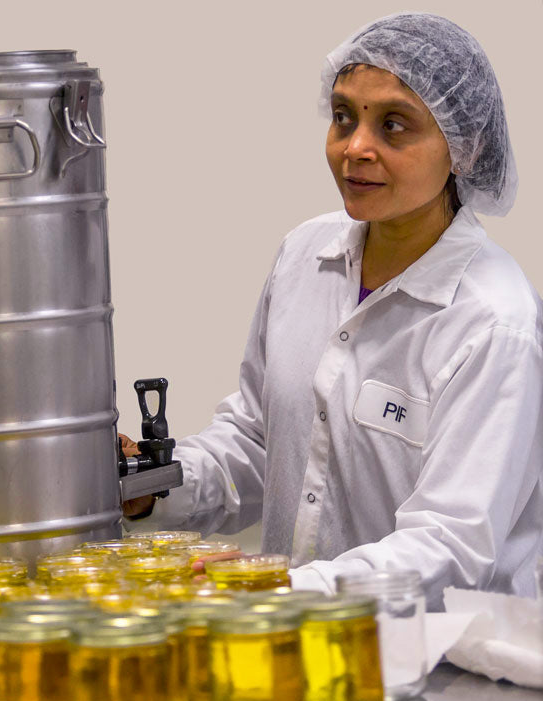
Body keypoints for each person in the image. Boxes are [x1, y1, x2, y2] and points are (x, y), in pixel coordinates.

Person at [121, 12, 543, 609]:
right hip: (300, 648)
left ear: (465, 147)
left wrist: (275, 588)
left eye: (394, 126)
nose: (355, 148)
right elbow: (259, 443)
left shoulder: (494, 323)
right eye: (343, 117)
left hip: (442, 671)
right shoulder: (304, 257)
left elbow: (449, 547)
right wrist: (152, 486)